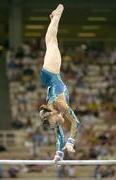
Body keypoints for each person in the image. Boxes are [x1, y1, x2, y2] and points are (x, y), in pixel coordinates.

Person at [40, 4, 80, 162]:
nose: (58, 124)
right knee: (50, 41)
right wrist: (59, 154)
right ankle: (53, 19)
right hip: (48, 77)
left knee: (52, 42)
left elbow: (76, 122)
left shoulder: (59, 105)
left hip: (51, 72)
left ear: (53, 114)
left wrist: (71, 142)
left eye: (55, 122)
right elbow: (59, 134)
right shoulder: (54, 113)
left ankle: (57, 15)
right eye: (56, 124)